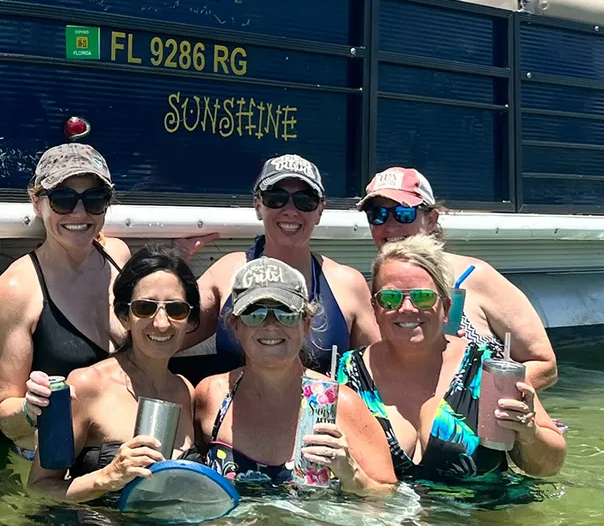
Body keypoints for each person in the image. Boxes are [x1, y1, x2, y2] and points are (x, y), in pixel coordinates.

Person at [336, 235, 567, 482]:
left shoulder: (487, 369)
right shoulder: (348, 373)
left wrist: (528, 433)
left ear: (446, 307)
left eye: (423, 297)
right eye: (390, 298)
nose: (406, 308)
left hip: (482, 515)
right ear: (375, 308)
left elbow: (549, 466)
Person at [0, 141, 132, 479]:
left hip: (119, 461)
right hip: (49, 470)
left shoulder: (119, 259)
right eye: (63, 200)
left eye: (94, 200)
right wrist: (30, 407)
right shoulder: (16, 291)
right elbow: (7, 417)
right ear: (37, 202)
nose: (79, 214)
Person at [193, 257, 398, 496]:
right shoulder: (210, 396)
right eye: (254, 313)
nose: (270, 325)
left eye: (286, 313)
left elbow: (389, 497)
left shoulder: (341, 404)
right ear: (236, 325)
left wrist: (350, 471)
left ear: (306, 324)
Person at [356, 167, 558, 391]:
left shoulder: (475, 276)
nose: (390, 225)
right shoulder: (368, 295)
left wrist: (476, 398)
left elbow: (544, 364)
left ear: (431, 220)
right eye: (377, 215)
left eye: (404, 213)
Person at [27, 243, 201, 503]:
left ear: (190, 319)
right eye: (145, 307)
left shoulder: (186, 391)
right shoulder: (87, 386)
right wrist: (108, 476)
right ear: (124, 316)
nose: (162, 323)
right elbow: (37, 489)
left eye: (175, 309)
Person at [184, 154, 380, 377]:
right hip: (238, 410)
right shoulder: (226, 272)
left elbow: (382, 365)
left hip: (318, 410)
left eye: (305, 200)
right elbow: (164, 332)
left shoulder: (347, 283)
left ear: (320, 211)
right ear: (258, 206)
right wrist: (171, 266)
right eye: (276, 198)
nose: (290, 209)